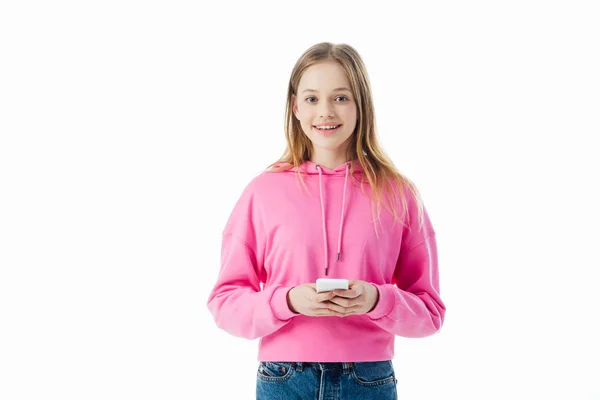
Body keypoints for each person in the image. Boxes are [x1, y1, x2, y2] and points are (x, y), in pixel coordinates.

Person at [206, 42, 446, 400]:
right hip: (283, 379)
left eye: (341, 97)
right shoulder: (263, 192)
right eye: (312, 98)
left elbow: (430, 312)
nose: (326, 112)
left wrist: (376, 300)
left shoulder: (398, 194)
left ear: (361, 104)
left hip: (369, 380)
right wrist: (286, 301)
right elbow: (224, 302)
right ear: (295, 107)